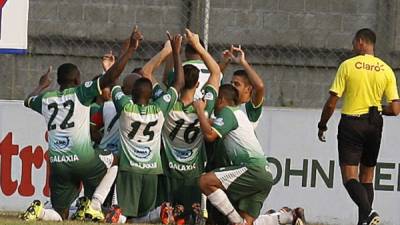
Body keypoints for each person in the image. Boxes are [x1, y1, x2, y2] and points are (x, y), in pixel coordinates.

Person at [21, 26, 143, 222]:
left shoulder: (45, 98)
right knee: (117, 159)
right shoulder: (81, 93)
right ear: (78, 79)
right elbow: (110, 78)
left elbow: (28, 100)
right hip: (84, 161)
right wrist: (130, 50)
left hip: (58, 164)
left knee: (60, 215)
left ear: (58, 81)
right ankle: (94, 204)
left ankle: (41, 212)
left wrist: (42, 84)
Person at [317, 28, 400, 225]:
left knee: (349, 177)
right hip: (375, 123)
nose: (353, 46)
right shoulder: (386, 69)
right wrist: (378, 109)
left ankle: (369, 213)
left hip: (352, 123)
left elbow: (332, 102)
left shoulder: (348, 65)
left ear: (361, 42)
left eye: (354, 42)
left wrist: (322, 124)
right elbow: (396, 109)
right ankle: (364, 221)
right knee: (367, 176)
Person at [193, 84, 305, 225]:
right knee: (249, 223)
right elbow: (213, 125)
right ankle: (289, 216)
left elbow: (209, 135)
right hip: (265, 175)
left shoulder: (227, 113)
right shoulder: (239, 114)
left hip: (252, 169)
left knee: (205, 181)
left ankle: (238, 222)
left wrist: (199, 110)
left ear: (221, 100)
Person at [106, 33, 184, 224]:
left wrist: (111, 65)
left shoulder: (125, 107)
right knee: (143, 216)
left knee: (126, 213)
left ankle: (118, 216)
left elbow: (111, 80)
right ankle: (160, 213)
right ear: (151, 96)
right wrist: (175, 52)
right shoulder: (159, 109)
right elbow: (179, 83)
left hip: (129, 169)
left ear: (131, 93)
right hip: (151, 171)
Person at [157, 28, 221, 224]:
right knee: (188, 216)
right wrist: (198, 45)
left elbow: (148, 74)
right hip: (192, 171)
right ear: (198, 84)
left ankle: (166, 212)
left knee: (166, 210)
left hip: (168, 168)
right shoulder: (205, 106)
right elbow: (216, 72)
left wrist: (169, 52)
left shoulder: (168, 103)